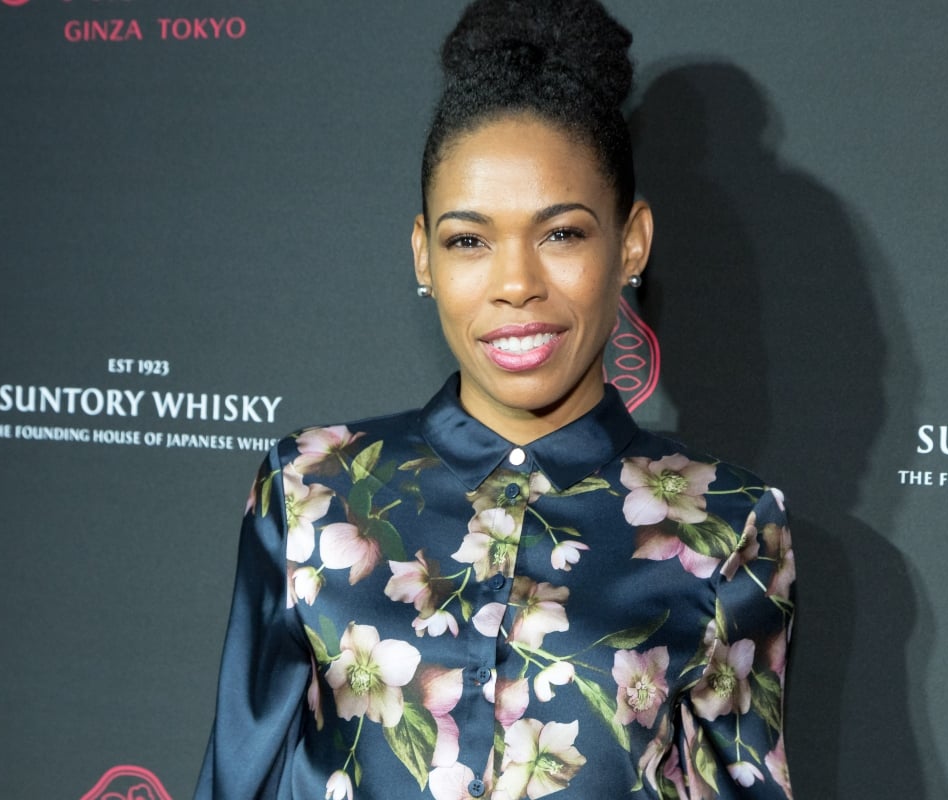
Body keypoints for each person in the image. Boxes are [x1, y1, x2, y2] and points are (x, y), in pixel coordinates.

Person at [195, 1, 795, 798]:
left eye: (561, 234)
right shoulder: (310, 490)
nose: (516, 283)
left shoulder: (726, 526)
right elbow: (237, 780)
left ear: (632, 243)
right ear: (425, 255)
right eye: (469, 240)